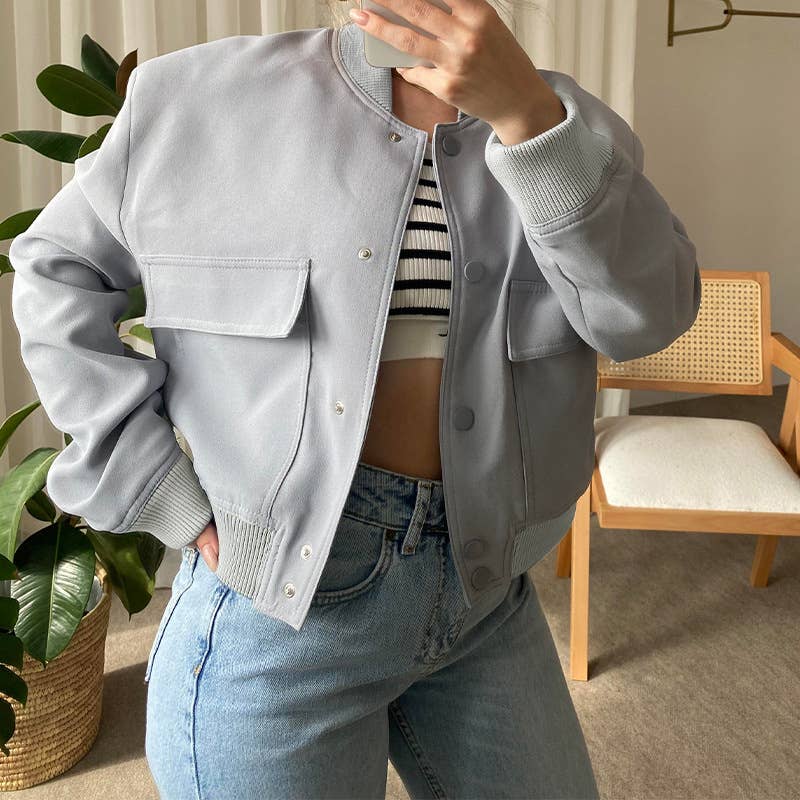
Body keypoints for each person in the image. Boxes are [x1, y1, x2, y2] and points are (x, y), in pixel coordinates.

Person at [10, 1, 700, 797]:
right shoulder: (199, 96)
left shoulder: (571, 126)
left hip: (486, 597)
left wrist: (527, 119)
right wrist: (152, 482)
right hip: (279, 610)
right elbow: (57, 271)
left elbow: (647, 321)